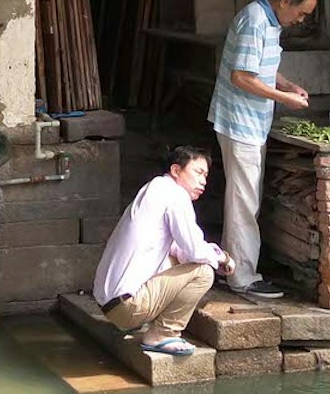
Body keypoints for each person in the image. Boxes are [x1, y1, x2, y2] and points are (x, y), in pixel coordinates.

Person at [207, 0, 318, 299]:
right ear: (285, 1)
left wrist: (286, 85)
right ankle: (242, 277)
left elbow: (260, 67)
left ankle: (232, 269)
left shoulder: (270, 22)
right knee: (244, 201)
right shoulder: (254, 20)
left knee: (243, 199)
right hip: (239, 122)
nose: (301, 20)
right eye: (301, 13)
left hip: (252, 122)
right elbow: (241, 76)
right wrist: (284, 100)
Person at [92, 147, 235, 357]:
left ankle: (143, 322)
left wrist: (213, 254)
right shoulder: (174, 194)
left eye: (206, 175)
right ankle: (163, 333)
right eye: (198, 172)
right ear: (176, 170)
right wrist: (222, 257)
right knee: (203, 272)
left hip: (110, 305)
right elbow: (195, 250)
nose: (204, 181)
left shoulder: (155, 189)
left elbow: (181, 250)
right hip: (127, 308)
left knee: (180, 259)